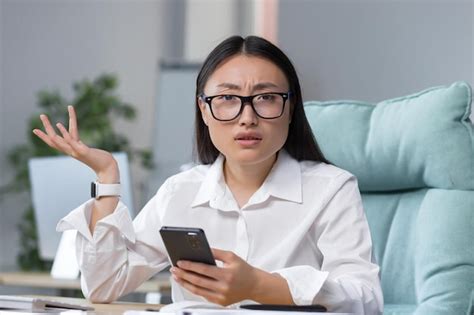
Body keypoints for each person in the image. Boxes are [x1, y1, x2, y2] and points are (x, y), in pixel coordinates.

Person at [33, 35, 383, 314]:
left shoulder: (332, 189)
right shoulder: (180, 191)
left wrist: (259, 286)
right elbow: (104, 286)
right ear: (204, 109)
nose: (248, 117)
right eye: (228, 99)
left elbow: (365, 298)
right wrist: (107, 176)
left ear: (289, 108)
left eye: (266, 98)